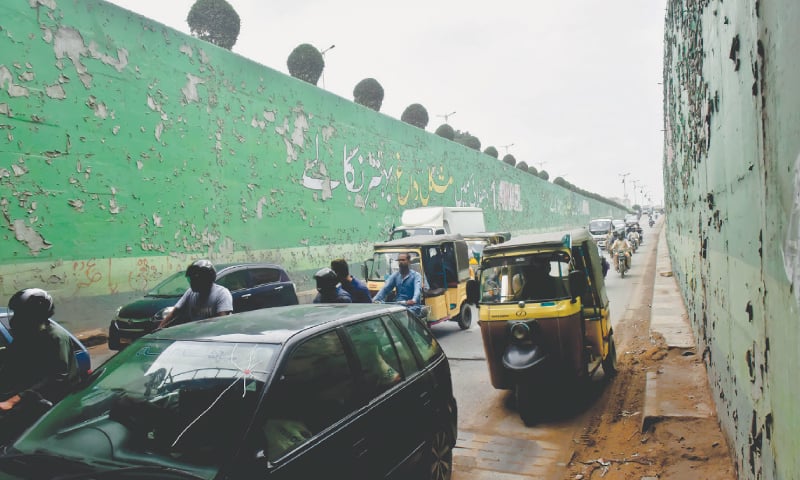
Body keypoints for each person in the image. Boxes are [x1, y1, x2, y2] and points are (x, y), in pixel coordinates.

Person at [0, 289, 79, 445]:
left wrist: (14, 400)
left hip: (52, 406)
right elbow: (11, 368)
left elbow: (57, 377)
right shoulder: (24, 335)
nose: (16, 319)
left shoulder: (55, 338)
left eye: (21, 314)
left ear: (36, 316)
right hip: (27, 398)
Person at [159, 260, 233, 329]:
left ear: (207, 279)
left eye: (196, 279)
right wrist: (159, 329)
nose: (192, 283)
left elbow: (222, 322)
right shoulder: (190, 292)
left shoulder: (222, 293)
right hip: (196, 335)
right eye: (191, 279)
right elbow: (174, 314)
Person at [372, 252, 423, 317]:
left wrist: (413, 300)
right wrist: (375, 299)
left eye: (403, 260)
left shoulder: (416, 276)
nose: (400, 262)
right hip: (398, 306)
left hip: (412, 307)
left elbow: (417, 290)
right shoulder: (395, 275)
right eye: (399, 260)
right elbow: (385, 288)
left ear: (409, 262)